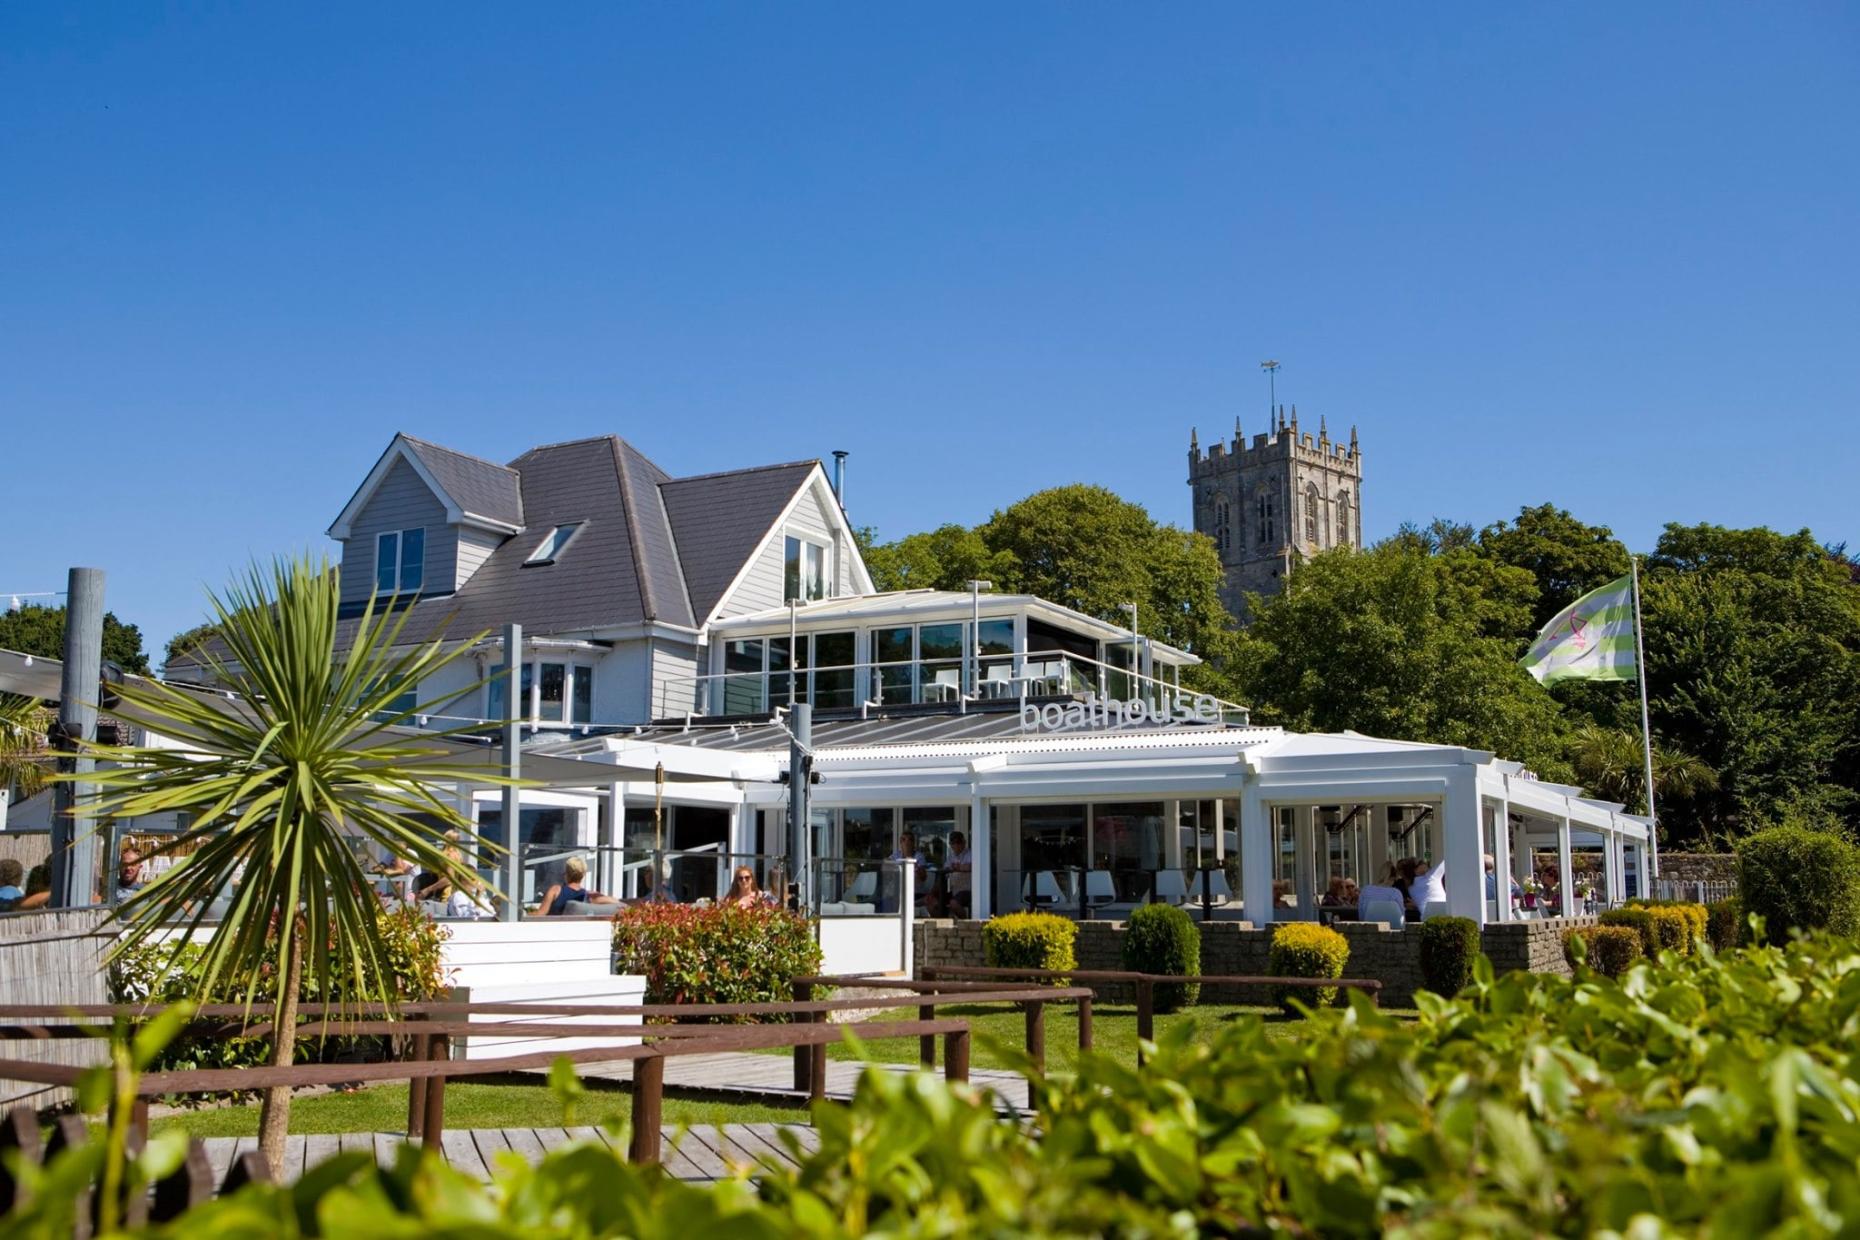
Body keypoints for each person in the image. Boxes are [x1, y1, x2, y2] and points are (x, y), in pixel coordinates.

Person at [532, 855, 619, 917]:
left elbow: (540, 914)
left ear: (566, 873)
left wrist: (525, 914)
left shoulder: (555, 890)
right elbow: (617, 902)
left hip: (552, 933)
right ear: (583, 875)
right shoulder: (589, 896)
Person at [944, 832, 973, 917]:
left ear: (964, 842)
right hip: (954, 889)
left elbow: (973, 866)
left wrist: (958, 867)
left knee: (953, 903)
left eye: (958, 842)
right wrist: (952, 868)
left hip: (968, 890)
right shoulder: (951, 856)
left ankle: (966, 924)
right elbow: (946, 869)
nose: (956, 845)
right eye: (953, 843)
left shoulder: (970, 853)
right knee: (935, 901)